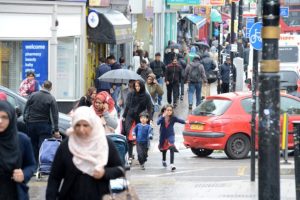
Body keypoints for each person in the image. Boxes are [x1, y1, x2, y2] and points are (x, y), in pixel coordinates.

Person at [46, 106, 124, 200]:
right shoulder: (67, 146)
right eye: (78, 125)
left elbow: (120, 169)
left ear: (92, 124)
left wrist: (104, 173)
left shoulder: (104, 144)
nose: (81, 129)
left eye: (85, 125)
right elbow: (54, 177)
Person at [0, 100, 36, 200]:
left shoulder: (22, 140)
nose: (0, 121)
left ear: (11, 118)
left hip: (15, 193)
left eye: (4, 117)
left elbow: (31, 165)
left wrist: (24, 174)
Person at [24, 80, 60, 163]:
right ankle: (42, 165)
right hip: (44, 125)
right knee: (43, 146)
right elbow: (55, 115)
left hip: (31, 124)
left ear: (42, 85)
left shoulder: (33, 95)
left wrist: (26, 120)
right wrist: (56, 130)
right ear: (50, 88)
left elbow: (26, 108)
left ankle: (33, 165)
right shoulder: (51, 98)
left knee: (33, 145)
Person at [122, 80, 153, 162]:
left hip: (141, 117)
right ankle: (130, 155)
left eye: (138, 86)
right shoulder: (131, 94)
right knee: (129, 136)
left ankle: (143, 153)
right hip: (130, 116)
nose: (137, 88)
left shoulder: (146, 96)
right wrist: (124, 116)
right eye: (135, 86)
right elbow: (127, 106)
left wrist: (150, 118)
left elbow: (150, 107)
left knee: (141, 136)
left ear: (142, 86)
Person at [157, 104, 186, 171]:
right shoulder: (161, 117)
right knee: (164, 149)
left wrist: (186, 122)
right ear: (164, 111)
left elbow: (180, 120)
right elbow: (158, 123)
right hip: (163, 136)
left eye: (170, 110)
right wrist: (162, 117)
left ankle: (172, 164)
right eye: (168, 110)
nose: (169, 111)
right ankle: (164, 160)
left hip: (170, 135)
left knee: (171, 146)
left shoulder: (173, 118)